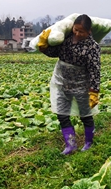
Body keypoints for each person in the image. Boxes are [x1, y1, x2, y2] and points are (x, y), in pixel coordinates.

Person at [38, 14, 100, 154]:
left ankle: (89, 143)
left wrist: (94, 91)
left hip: (81, 85)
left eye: (81, 31)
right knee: (62, 114)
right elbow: (54, 52)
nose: (77, 33)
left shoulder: (92, 47)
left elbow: (94, 70)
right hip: (62, 83)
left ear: (89, 31)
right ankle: (70, 144)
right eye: (76, 29)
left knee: (85, 115)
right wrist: (43, 46)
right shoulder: (66, 39)